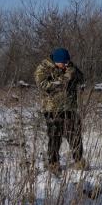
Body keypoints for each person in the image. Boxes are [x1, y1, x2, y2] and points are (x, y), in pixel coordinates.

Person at [34, 47, 87, 175]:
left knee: (74, 135)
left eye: (67, 62)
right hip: (52, 109)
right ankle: (53, 163)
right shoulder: (43, 68)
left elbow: (82, 80)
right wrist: (64, 79)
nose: (65, 65)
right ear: (55, 60)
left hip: (70, 107)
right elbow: (44, 86)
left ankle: (79, 161)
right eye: (62, 63)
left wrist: (73, 72)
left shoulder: (69, 66)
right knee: (54, 136)